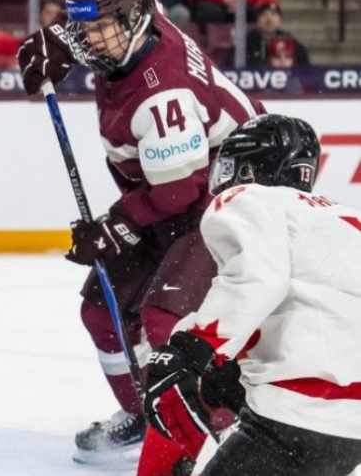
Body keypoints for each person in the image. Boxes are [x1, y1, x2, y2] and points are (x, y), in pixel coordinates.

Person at [17, 0, 264, 471]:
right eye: (82, 27)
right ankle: (142, 410)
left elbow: (179, 190)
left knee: (165, 319)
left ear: (135, 21)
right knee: (101, 312)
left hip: (222, 205)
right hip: (170, 198)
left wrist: (115, 227)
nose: (89, 39)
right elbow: (165, 191)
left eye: (99, 27)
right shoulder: (139, 29)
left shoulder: (163, 93)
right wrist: (57, 39)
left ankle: (207, 418)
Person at [142, 114, 361, 475]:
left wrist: (188, 348)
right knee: (209, 377)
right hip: (350, 427)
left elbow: (259, 279)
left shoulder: (249, 199)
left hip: (297, 418)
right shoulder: (347, 219)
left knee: (173, 382)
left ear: (247, 169)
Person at [238, 0, 310, 69]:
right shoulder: (246, 43)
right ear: (256, 19)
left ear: (280, 19)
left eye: (273, 14)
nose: (269, 19)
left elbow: (305, 70)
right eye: (263, 14)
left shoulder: (289, 41)